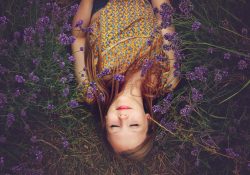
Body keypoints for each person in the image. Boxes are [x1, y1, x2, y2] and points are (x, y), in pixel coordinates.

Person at [71, 0, 180, 160]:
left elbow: (78, 38)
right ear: (147, 120)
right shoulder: (167, 79)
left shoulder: (91, 91)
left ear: (105, 121)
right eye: (134, 125)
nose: (123, 119)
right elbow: (165, 23)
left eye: (114, 126)